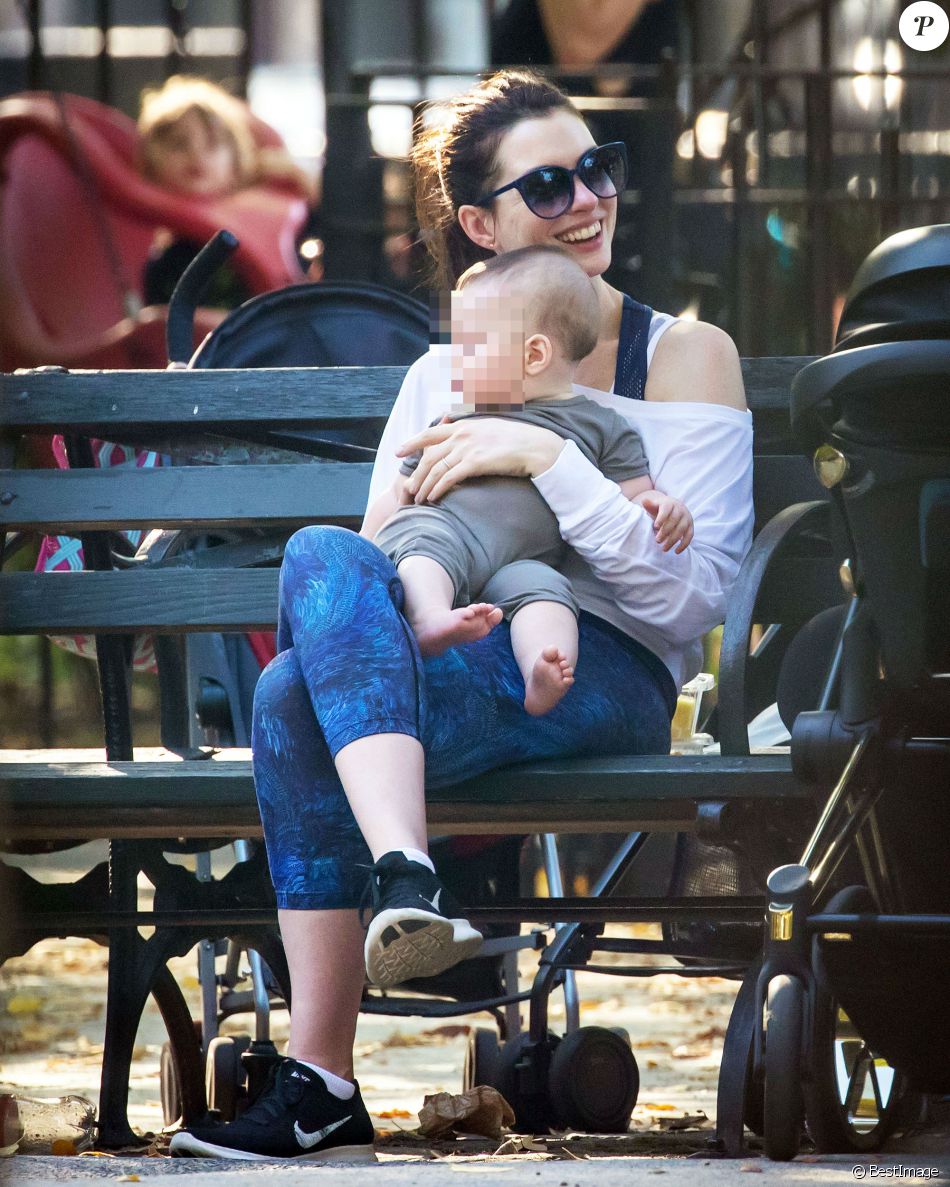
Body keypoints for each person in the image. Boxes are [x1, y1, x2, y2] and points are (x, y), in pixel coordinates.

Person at [170, 68, 751, 1164]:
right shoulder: (445, 369)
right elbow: (379, 563)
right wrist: (432, 584)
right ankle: (399, 891)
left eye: (596, 167)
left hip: (593, 668)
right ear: (479, 224)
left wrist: (545, 457)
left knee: (293, 699)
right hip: (453, 643)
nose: (586, 198)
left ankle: (321, 1077)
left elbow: (688, 597)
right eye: (547, 184)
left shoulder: (682, 355)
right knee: (315, 578)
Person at [367, 245, 693, 717]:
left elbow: (635, 500)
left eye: (469, 348)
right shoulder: (455, 416)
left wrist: (666, 507)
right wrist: (363, 547)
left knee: (548, 593)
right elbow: (400, 495)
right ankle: (431, 619)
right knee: (422, 545)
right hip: (448, 533)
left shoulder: (603, 427)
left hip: (525, 562)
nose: (455, 363)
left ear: (534, 355)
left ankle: (543, 669)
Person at [136, 75, 318, 306]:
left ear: (236, 163)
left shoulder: (277, 223)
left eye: (212, 144)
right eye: (179, 144)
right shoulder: (164, 264)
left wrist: (303, 182)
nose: (196, 154)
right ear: (152, 167)